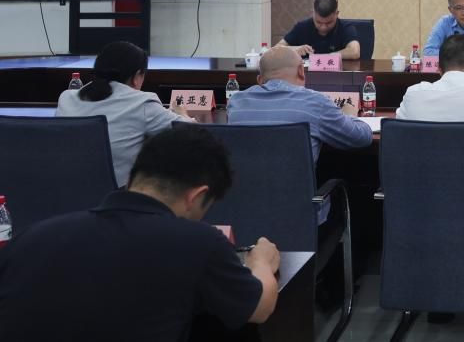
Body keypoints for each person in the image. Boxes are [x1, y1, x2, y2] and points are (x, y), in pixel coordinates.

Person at [0, 124, 280, 341]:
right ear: (196, 196)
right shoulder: (198, 242)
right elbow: (260, 307)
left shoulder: (31, 238)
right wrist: (261, 261)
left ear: (134, 177)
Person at [55, 40, 194, 186]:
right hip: (116, 195)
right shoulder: (142, 102)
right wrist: (181, 113)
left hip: (64, 190)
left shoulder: (66, 98)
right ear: (137, 76)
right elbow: (191, 131)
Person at [227, 45, 372, 162]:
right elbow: (362, 138)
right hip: (295, 191)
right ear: (301, 71)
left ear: (259, 80)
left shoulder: (236, 104)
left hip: (244, 190)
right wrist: (349, 115)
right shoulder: (316, 103)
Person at [277, 0, 361, 60]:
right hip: (306, 74)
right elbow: (276, 49)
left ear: (336, 14)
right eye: (319, 22)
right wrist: (294, 49)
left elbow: (354, 52)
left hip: (337, 74)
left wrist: (327, 57)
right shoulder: (302, 27)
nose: (323, 27)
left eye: (328, 23)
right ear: (313, 13)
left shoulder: (346, 27)